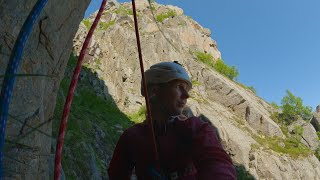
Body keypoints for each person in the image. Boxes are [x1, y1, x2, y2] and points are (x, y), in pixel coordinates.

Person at [108, 61, 236, 179]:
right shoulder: (131, 137)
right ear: (154, 92)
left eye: (186, 89)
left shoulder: (196, 128)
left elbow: (217, 162)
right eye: (179, 86)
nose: (186, 95)